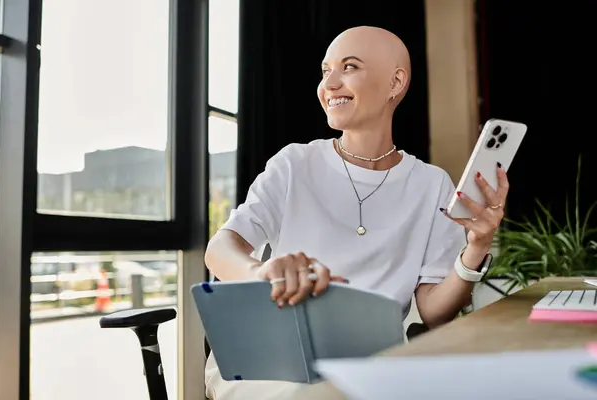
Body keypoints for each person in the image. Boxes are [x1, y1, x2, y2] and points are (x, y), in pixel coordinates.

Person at [203, 26, 508, 399]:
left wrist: (477, 246)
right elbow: (219, 249)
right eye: (325, 70)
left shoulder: (432, 184)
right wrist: (260, 270)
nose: (329, 83)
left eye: (348, 67)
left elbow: (434, 311)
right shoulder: (294, 163)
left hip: (370, 361)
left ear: (395, 83)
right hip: (276, 356)